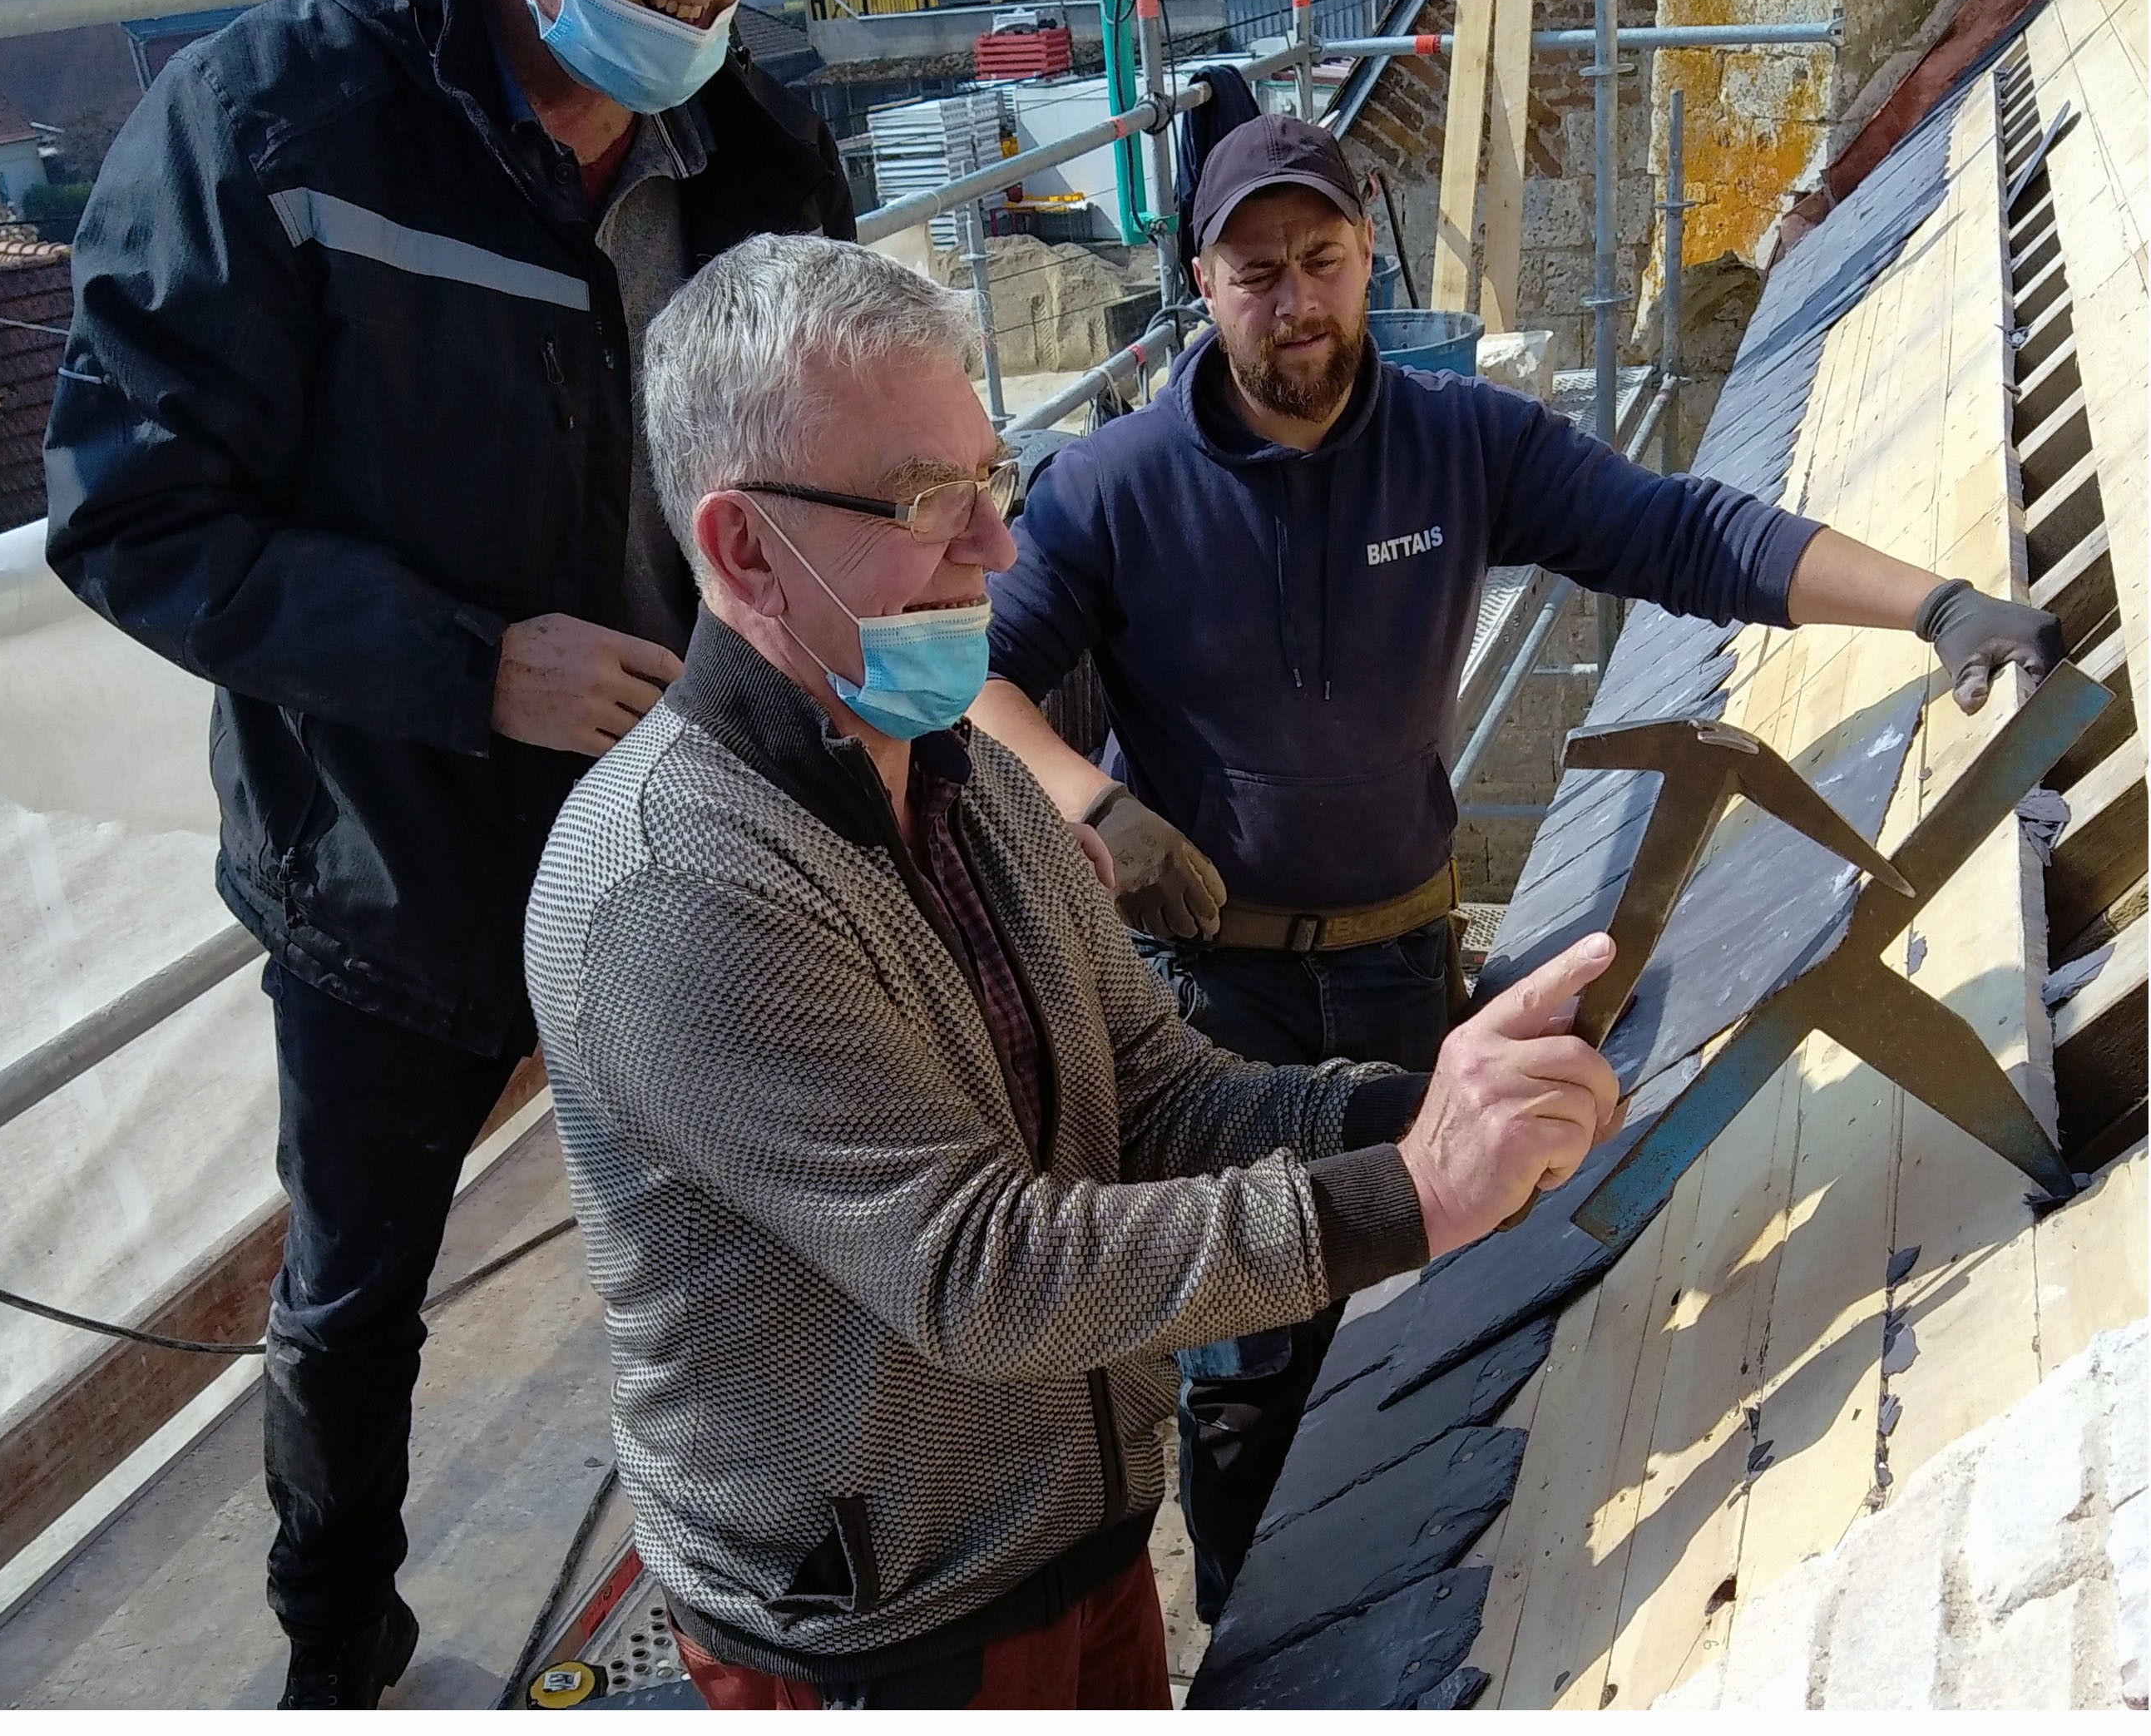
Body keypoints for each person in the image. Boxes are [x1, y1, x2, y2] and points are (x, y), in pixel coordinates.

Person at [969, 112, 2066, 1620]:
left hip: (1405, 964)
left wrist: (1935, 604)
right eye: (1254, 272)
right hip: (1212, 992)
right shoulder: (1114, 486)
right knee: (1247, 1355)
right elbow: (972, 682)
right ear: (1202, 288)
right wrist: (1091, 805)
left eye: (1323, 260)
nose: (1294, 302)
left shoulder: (1456, 443)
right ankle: (1255, 1644)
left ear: (1368, 259)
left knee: (1427, 1291)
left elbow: (1682, 532)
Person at [522, 232, 1625, 1709]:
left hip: (1067, 1531)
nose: (992, 545)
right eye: (927, 500)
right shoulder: (676, 891)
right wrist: (1413, 1191)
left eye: (993, 480)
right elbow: (980, 1273)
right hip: (885, 1630)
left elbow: (1155, 1097)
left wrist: (1424, 1101)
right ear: (738, 550)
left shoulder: (960, 777)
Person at [42, 0, 849, 1709]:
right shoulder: (268, 131)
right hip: (392, 861)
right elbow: (130, 509)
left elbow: (822, 451)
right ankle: (340, 1636)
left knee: (760, 1222)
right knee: (354, 1297)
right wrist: (466, 659)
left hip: (686, 829)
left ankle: (785, 1571)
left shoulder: (754, 139)